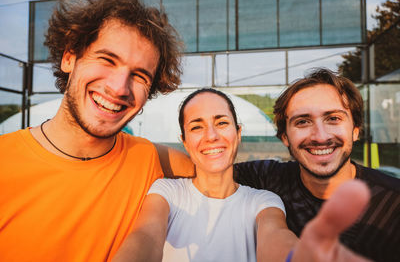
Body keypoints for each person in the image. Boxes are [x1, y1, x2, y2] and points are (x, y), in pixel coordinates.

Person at [0, 0, 183, 261]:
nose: (119, 88)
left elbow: (222, 173)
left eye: (140, 76)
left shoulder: (148, 159)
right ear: (69, 59)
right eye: (107, 59)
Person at [113, 88, 372, 262]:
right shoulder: (167, 192)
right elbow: (145, 235)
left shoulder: (263, 200)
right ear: (184, 141)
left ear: (238, 133)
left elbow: (276, 237)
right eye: (196, 126)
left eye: (222, 122)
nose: (211, 135)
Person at [232, 68, 400, 262]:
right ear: (285, 137)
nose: (320, 136)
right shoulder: (267, 178)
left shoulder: (393, 204)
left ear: (355, 130)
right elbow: (199, 170)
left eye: (333, 119)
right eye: (303, 122)